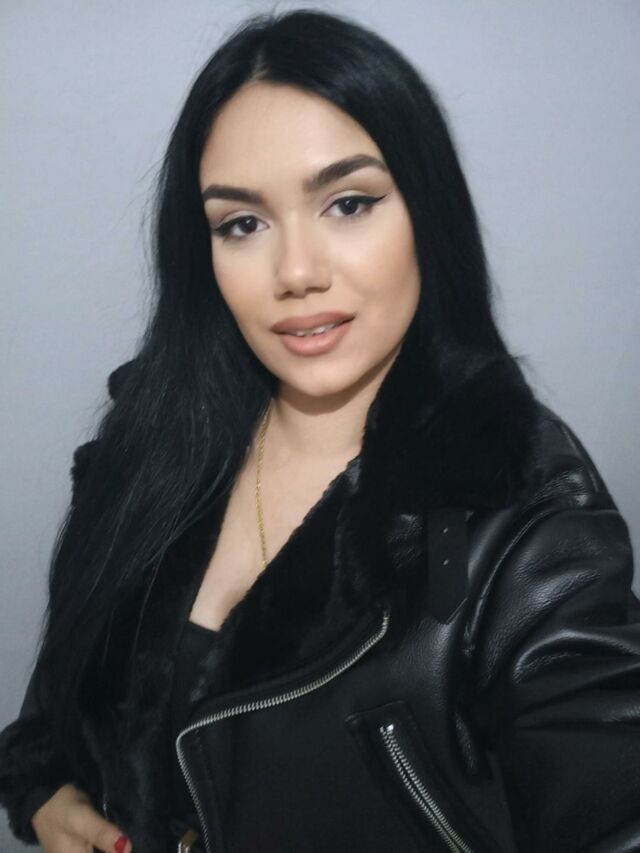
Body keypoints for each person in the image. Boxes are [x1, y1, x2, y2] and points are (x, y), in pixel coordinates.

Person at [1, 6, 639, 853]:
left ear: (427, 212)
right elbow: (65, 695)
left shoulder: (524, 509)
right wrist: (42, 785)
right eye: (242, 223)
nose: (295, 272)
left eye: (348, 203)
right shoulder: (150, 437)